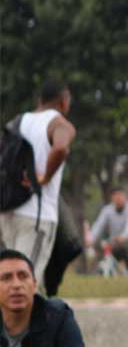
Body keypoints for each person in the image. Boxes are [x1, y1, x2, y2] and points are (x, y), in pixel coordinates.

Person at [0, 80, 77, 290]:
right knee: (24, 283)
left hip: (7, 212)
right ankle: (23, 324)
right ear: (64, 101)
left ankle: (37, 323)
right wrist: (43, 177)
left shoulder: (18, 121)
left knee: (9, 278)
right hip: (36, 216)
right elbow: (61, 148)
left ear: (39, 100)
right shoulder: (59, 123)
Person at [88, 188, 128, 276]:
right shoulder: (107, 210)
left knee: (125, 246)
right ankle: (97, 273)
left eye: (121, 196)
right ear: (112, 198)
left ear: (125, 197)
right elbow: (99, 225)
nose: (119, 199)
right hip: (115, 242)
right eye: (116, 197)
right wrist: (91, 238)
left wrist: (123, 236)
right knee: (101, 249)